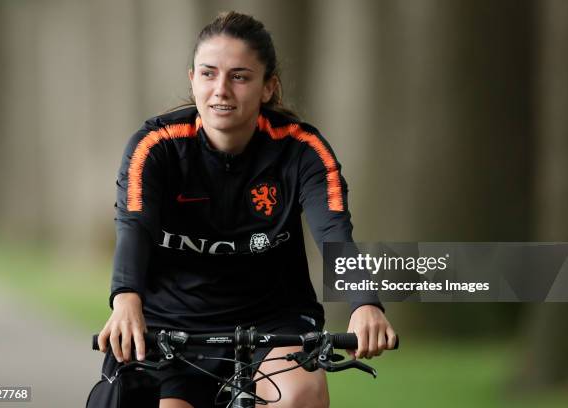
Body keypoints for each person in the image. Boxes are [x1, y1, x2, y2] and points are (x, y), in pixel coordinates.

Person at [97, 11, 397, 408]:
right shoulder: (155, 147)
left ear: (268, 87)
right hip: (175, 326)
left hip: (275, 322)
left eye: (239, 76)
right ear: (192, 79)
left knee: (299, 396)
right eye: (208, 74)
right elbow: (133, 226)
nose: (221, 90)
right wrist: (126, 299)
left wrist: (365, 303)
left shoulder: (302, 150)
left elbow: (335, 232)